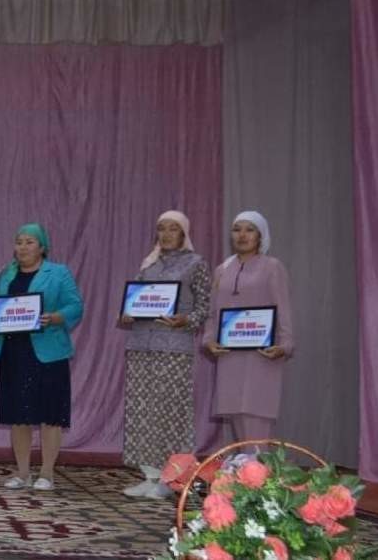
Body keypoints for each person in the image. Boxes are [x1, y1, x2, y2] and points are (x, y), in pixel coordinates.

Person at [118, 210, 211, 499]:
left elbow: (205, 306)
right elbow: (134, 301)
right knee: (142, 412)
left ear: (184, 233)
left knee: (170, 412)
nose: (167, 234)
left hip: (173, 347)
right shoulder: (149, 264)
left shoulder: (195, 264)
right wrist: (126, 314)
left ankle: (172, 478)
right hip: (141, 346)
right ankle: (150, 475)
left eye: (173, 229)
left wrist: (187, 320)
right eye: (162, 228)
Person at [0, 223, 83, 491]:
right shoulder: (6, 274)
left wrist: (56, 317)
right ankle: (22, 473)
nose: (23, 247)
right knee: (18, 415)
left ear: (42, 247)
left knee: (50, 414)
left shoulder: (59, 273)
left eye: (29, 242)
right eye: (19, 242)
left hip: (49, 353)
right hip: (13, 352)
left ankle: (46, 473)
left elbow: (75, 305)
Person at [203, 211, 293, 443]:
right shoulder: (222, 270)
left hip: (261, 355)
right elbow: (212, 313)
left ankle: (256, 466)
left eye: (249, 230)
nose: (242, 235)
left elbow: (283, 309)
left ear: (260, 236)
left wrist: (285, 345)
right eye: (237, 229)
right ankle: (248, 466)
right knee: (238, 423)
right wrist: (209, 340)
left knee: (257, 421)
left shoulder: (272, 267)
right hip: (230, 356)